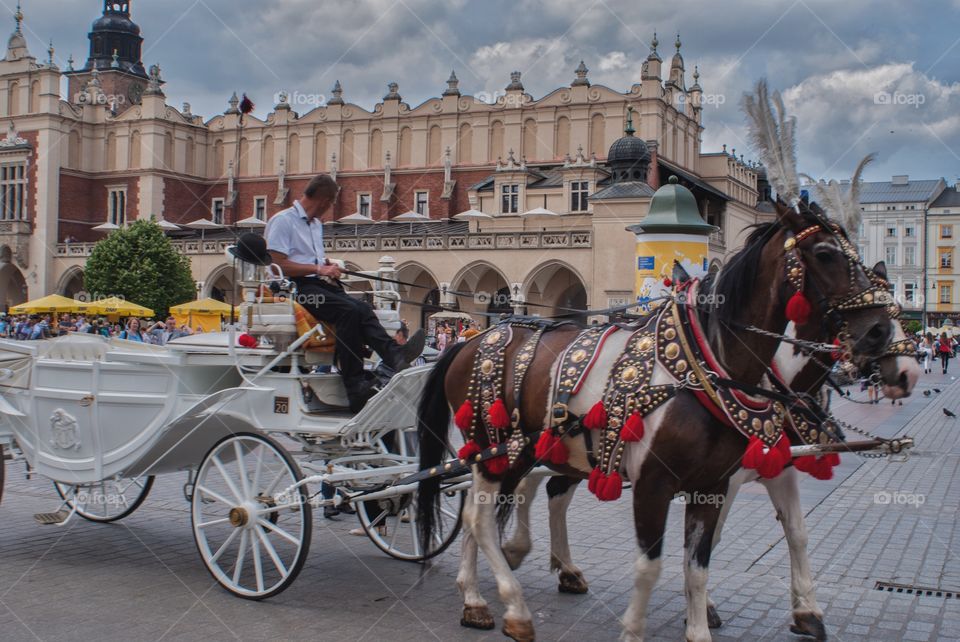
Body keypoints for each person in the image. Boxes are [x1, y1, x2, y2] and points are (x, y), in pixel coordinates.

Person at [258, 173, 425, 412]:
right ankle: (354, 384)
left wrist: (326, 264)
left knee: (362, 308)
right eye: (331, 203)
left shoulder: (315, 225)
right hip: (293, 288)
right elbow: (276, 264)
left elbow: (308, 258)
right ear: (325, 199)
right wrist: (319, 267)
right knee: (348, 311)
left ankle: (394, 355)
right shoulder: (283, 221)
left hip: (317, 283)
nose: (330, 208)